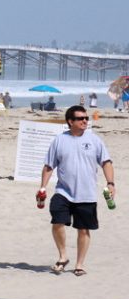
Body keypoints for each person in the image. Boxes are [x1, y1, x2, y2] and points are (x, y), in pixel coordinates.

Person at [40, 105, 115, 276]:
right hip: (63, 191)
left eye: (86, 118)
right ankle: (63, 256)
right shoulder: (59, 140)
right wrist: (43, 187)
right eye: (81, 118)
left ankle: (79, 264)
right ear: (70, 121)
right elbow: (49, 165)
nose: (85, 121)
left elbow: (106, 162)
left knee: (83, 229)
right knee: (57, 222)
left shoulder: (94, 140)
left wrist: (111, 183)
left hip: (86, 193)